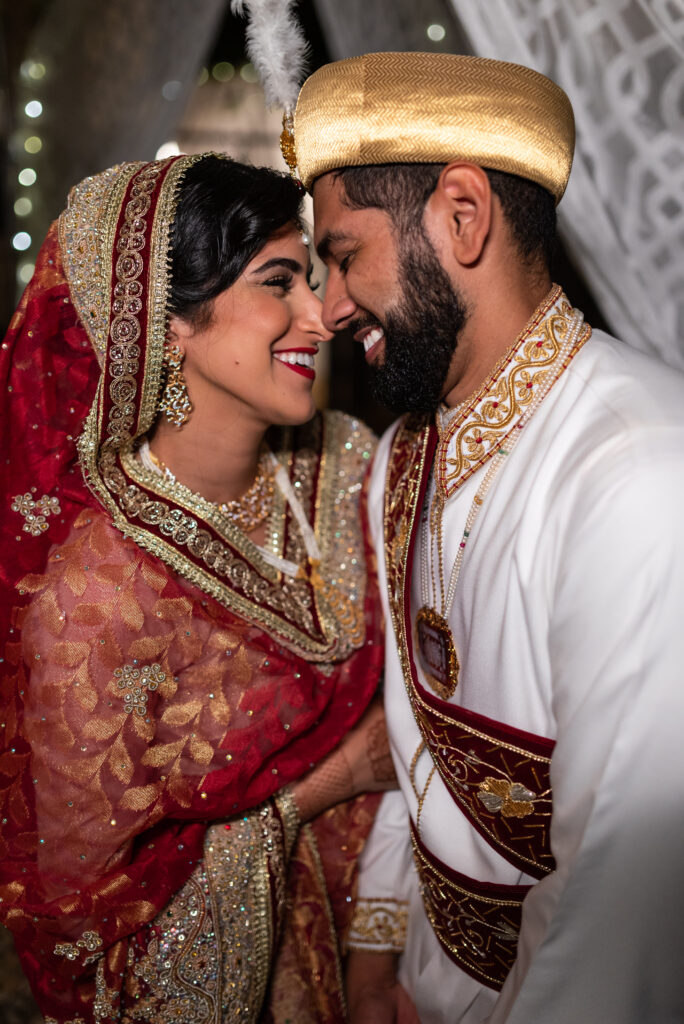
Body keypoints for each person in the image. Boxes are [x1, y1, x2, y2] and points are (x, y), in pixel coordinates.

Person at [290, 51, 684, 1023]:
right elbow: (413, 752)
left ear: (462, 218)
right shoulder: (402, 461)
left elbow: (618, 911)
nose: (330, 308)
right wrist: (380, 954)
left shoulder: (636, 471)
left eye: (344, 257)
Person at [0, 153, 393, 1024]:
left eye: (317, 280)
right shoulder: (96, 600)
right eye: (278, 282)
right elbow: (90, 936)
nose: (321, 317)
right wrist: (330, 784)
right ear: (166, 321)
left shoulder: (353, 466)